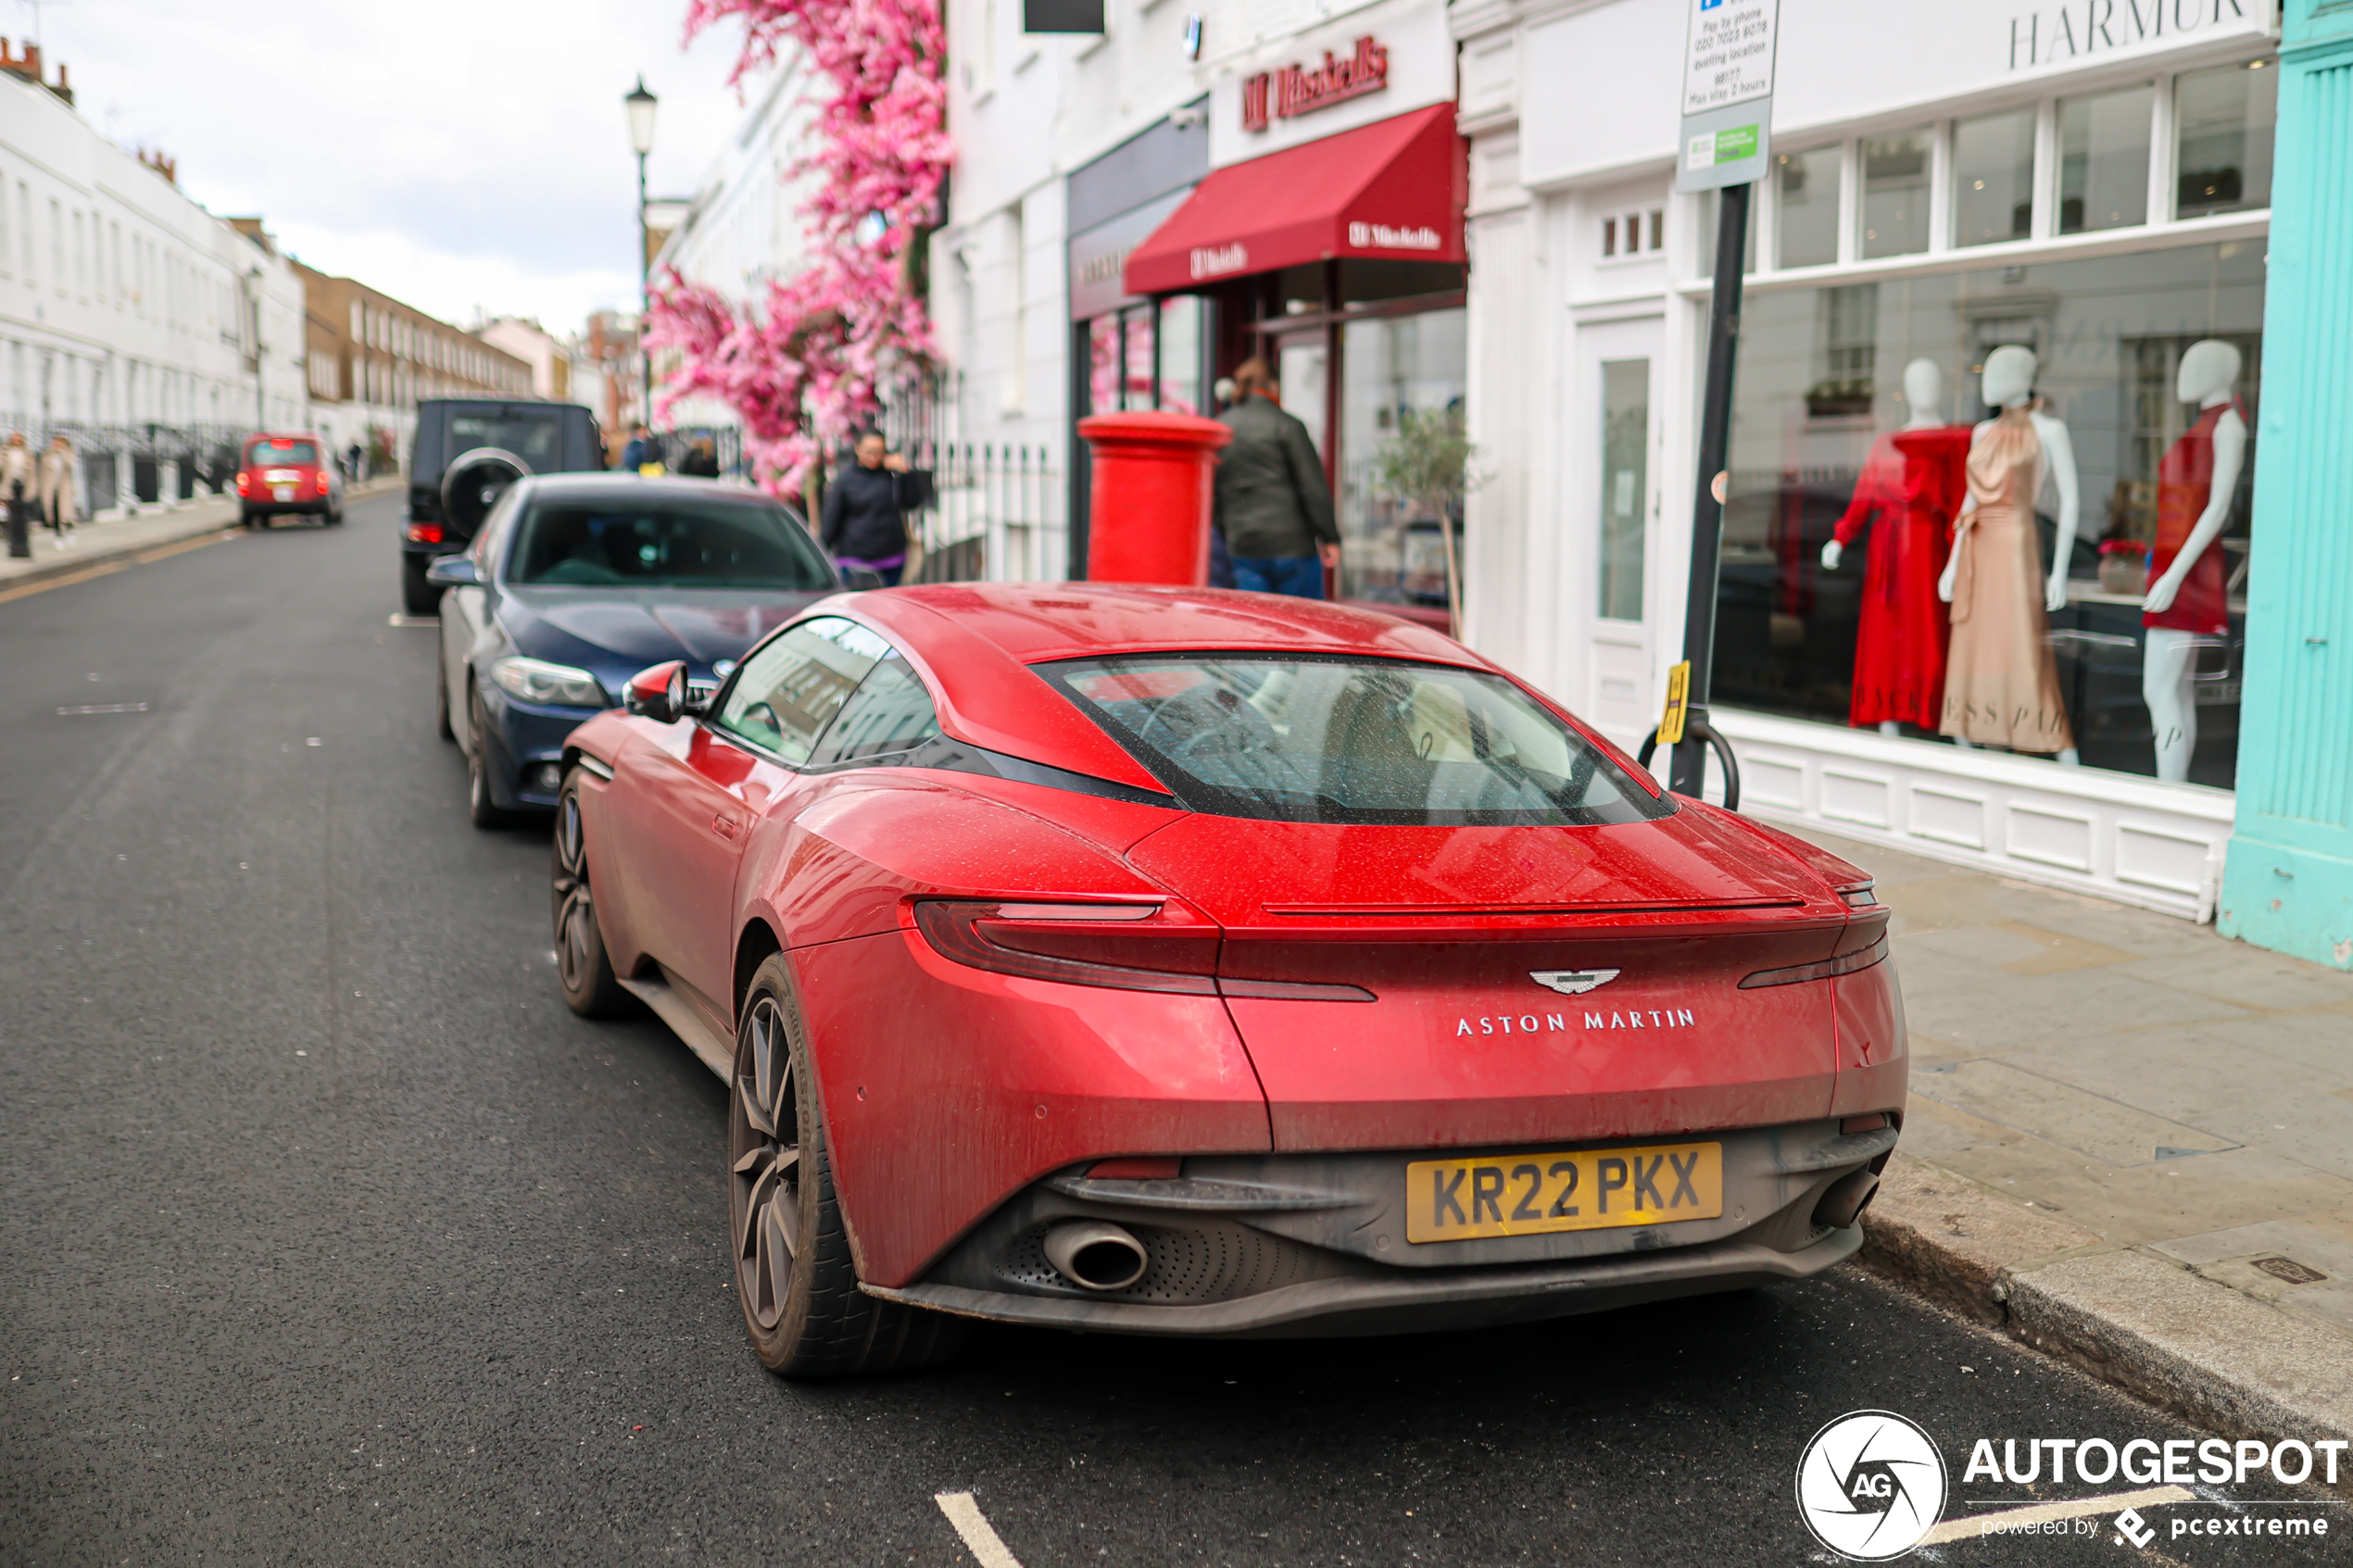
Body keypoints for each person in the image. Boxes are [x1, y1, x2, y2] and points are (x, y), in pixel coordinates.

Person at [1213, 358, 1339, 597]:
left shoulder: (1221, 428)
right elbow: (1312, 487)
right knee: (1303, 624)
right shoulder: (1288, 426)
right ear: (1273, 385)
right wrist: (1329, 536)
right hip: (1293, 546)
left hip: (1243, 545)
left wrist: (1228, 530)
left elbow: (1214, 491)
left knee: (1256, 623)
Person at [822, 430, 912, 585]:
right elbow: (831, 520)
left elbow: (912, 502)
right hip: (855, 559)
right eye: (869, 452)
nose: (874, 457)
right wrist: (822, 553)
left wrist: (905, 473)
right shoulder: (845, 480)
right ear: (858, 449)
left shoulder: (892, 476)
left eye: (879, 452)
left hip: (891, 558)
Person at [39, 434, 77, 545]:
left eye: (61, 443)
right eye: (56, 442)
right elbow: (42, 473)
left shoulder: (68, 454)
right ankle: (58, 536)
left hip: (64, 488)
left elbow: (70, 464)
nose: (57, 445)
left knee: (67, 513)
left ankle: (70, 532)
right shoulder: (47, 455)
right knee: (54, 513)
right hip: (51, 489)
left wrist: (63, 452)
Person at [2, 432, 35, 558]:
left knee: (22, 519)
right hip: (7, 489)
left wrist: (31, 490)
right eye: (14, 440)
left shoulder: (27, 455)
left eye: (19, 441)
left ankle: (20, 545)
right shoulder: (5, 453)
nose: (16, 442)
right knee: (7, 518)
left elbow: (31, 474)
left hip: (23, 488)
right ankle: (13, 543)